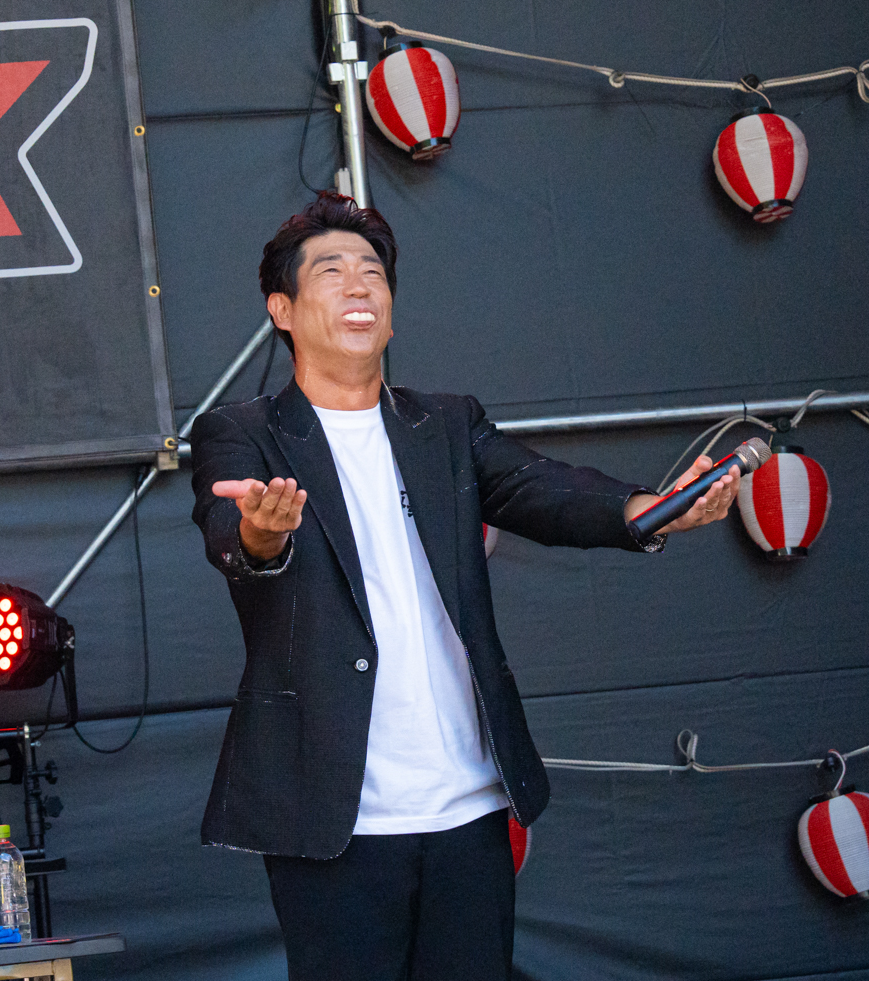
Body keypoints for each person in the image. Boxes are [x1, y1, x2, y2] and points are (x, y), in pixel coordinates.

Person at [188, 192, 740, 981]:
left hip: (468, 811)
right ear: (283, 308)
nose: (359, 286)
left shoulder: (444, 425)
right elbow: (229, 533)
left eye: (374, 272)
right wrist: (262, 533)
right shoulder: (245, 431)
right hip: (334, 816)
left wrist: (645, 511)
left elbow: (539, 488)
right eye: (332, 271)